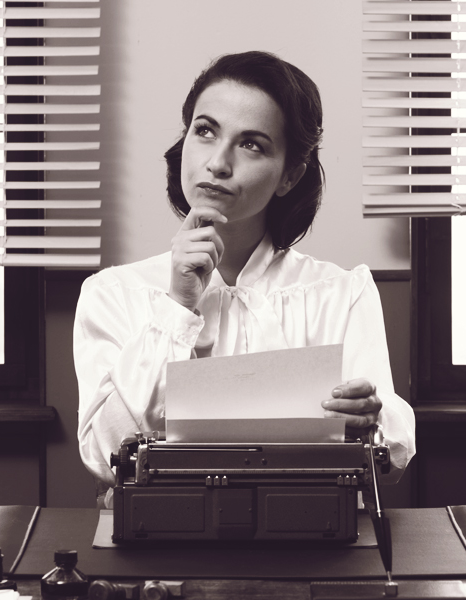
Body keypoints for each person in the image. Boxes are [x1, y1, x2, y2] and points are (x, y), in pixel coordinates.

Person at [74, 51, 416, 507]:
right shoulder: (113, 294)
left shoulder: (340, 292)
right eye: (205, 131)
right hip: (159, 547)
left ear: (290, 175)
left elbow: (391, 457)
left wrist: (368, 418)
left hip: (309, 541)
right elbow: (102, 455)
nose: (217, 162)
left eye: (251, 144)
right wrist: (177, 305)